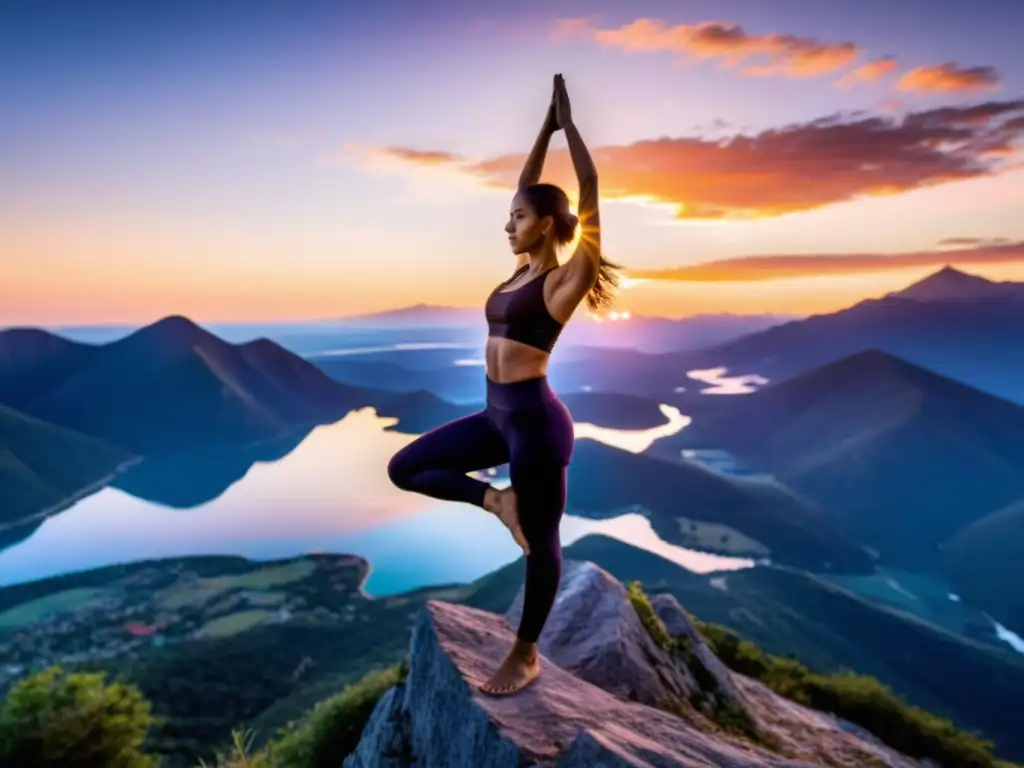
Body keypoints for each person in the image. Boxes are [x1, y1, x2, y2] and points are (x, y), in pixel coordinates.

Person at [386, 73, 621, 696]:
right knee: (404, 468)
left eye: (518, 217)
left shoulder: (564, 282)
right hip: (493, 417)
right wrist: (542, 127)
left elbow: (591, 190)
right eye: (508, 216)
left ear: (547, 225)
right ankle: (496, 500)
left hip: (537, 425)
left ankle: (526, 653)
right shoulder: (518, 271)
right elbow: (526, 186)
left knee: (541, 547)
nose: (508, 225)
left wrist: (571, 129)